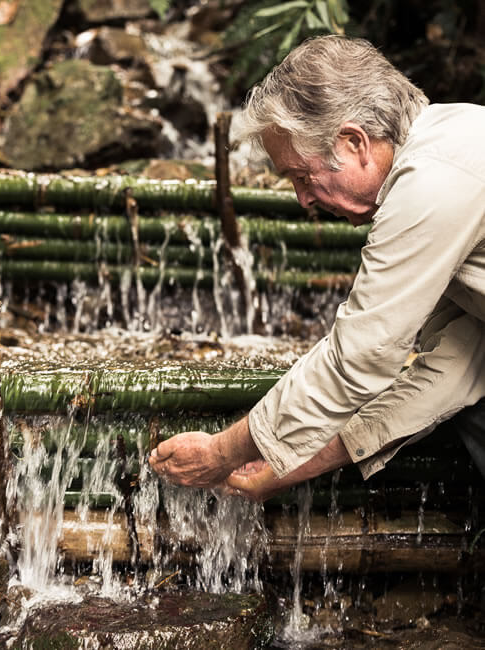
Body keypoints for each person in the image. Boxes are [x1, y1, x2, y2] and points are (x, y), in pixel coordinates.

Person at [148, 35, 485, 499]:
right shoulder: (452, 149)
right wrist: (286, 465)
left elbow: (358, 358)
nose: (303, 199)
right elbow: (457, 364)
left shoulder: (433, 183)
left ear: (354, 142)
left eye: (302, 177)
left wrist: (221, 452)